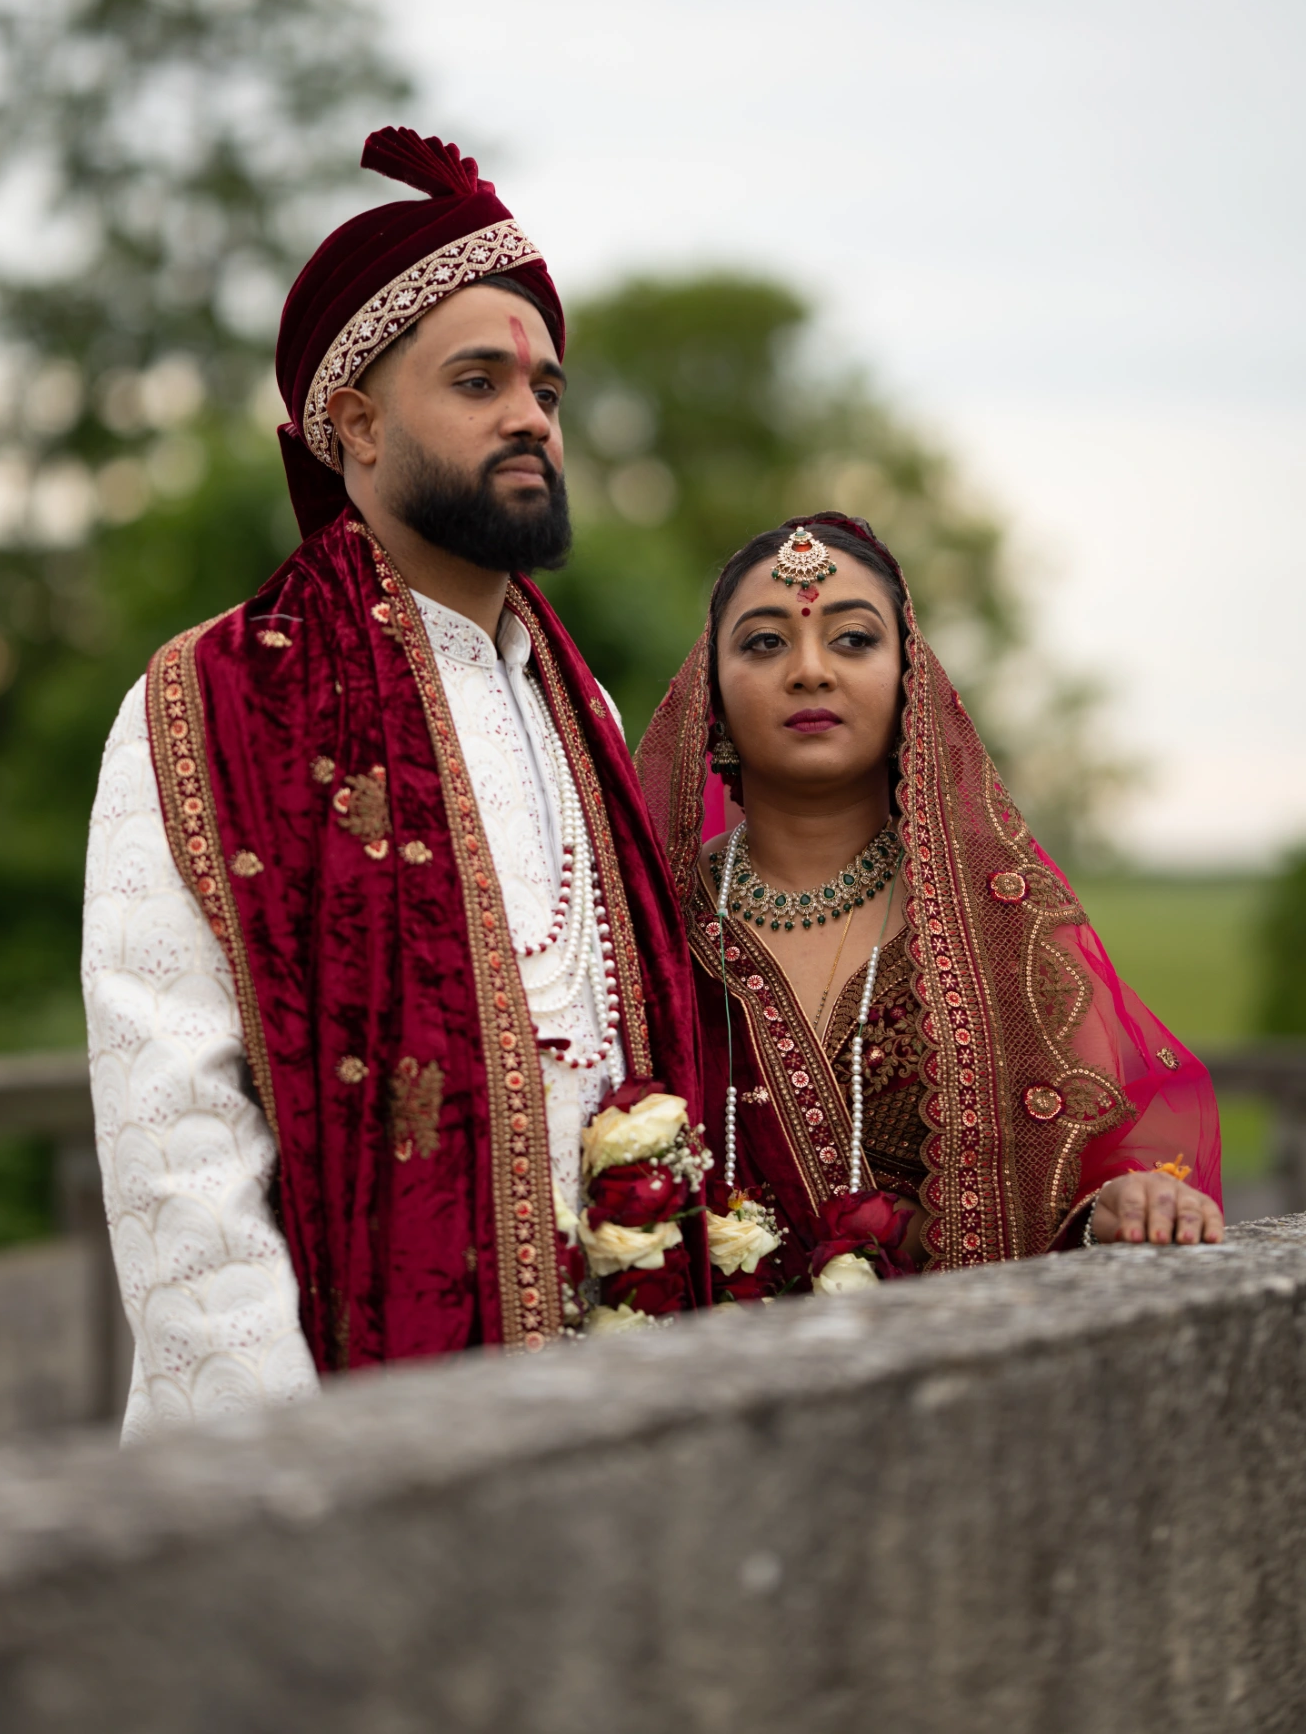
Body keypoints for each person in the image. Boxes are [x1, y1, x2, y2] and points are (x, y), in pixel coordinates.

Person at [83, 127, 704, 1440]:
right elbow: (175, 1142)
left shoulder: (585, 709)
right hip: (338, 1450)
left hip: (612, 1427)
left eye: (546, 388)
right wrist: (287, 1474)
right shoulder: (212, 705)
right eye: (479, 380)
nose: (531, 416)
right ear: (354, 426)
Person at [635, 512, 1223, 1299]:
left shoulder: (1004, 922)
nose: (810, 670)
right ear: (710, 692)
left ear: (908, 677)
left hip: (957, 1359)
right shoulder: (644, 920)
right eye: (765, 642)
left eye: (853, 639)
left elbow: (1090, 1168)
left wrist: (1121, 1206)